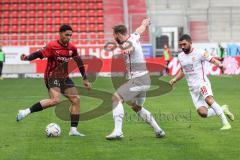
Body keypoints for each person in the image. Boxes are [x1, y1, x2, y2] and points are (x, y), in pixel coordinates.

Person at [16, 24, 91, 136]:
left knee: (76, 100)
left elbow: (79, 62)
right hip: (52, 76)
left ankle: (73, 130)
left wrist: (85, 79)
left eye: (70, 35)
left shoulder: (72, 48)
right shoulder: (52, 46)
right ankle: (25, 111)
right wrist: (26, 58)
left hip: (64, 77)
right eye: (67, 35)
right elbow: (38, 53)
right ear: (60, 34)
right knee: (55, 100)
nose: (69, 37)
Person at [106, 18, 165, 140]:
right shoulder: (134, 36)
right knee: (136, 107)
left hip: (137, 80)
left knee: (116, 98)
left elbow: (129, 48)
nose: (114, 38)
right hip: (145, 79)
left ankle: (118, 132)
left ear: (118, 34)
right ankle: (158, 130)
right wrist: (146, 22)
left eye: (114, 36)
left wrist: (126, 49)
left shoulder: (127, 44)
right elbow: (141, 28)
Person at [169, 34, 234, 130]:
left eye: (184, 44)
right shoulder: (180, 56)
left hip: (201, 83)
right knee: (203, 113)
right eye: (180, 45)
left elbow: (212, 60)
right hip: (192, 88)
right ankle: (222, 109)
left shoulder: (200, 53)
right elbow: (183, 71)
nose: (182, 47)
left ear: (190, 42)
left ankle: (226, 124)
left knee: (209, 100)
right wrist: (174, 79)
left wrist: (220, 65)